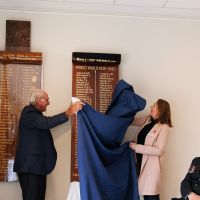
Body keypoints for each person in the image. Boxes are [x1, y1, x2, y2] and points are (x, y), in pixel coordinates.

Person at [13, 89, 84, 200]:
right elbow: (46, 123)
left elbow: (44, 123)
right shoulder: (28, 113)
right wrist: (69, 112)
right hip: (30, 168)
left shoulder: (36, 115)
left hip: (37, 168)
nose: (49, 103)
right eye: (47, 100)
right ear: (39, 100)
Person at [129, 99, 172, 200]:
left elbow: (158, 150)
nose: (151, 107)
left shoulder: (164, 127)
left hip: (151, 168)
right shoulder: (147, 120)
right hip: (138, 163)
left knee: (151, 196)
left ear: (160, 110)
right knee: (140, 194)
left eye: (154, 106)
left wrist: (135, 147)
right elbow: (130, 121)